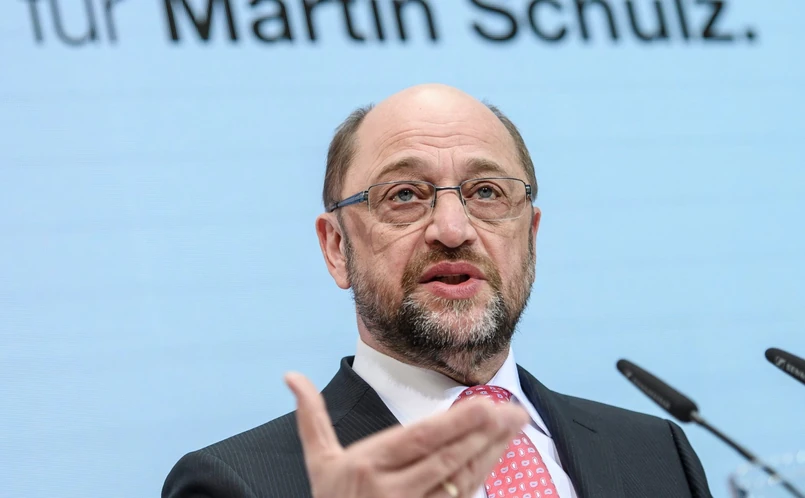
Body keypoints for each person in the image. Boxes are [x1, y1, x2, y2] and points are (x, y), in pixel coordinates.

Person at [162, 84, 713, 498]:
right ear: (336, 247)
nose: (453, 229)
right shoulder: (233, 483)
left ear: (531, 236)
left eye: (487, 192)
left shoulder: (656, 454)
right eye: (404, 194)